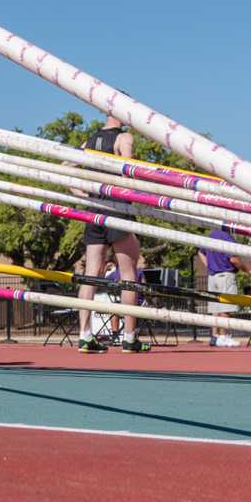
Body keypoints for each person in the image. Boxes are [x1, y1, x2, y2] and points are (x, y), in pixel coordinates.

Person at [75, 112, 143, 352]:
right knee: (128, 273)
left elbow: (65, 165)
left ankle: (84, 336)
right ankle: (129, 337)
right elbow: (130, 170)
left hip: (94, 209)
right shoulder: (124, 137)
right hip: (116, 208)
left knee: (91, 273)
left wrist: (80, 193)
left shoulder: (89, 141)